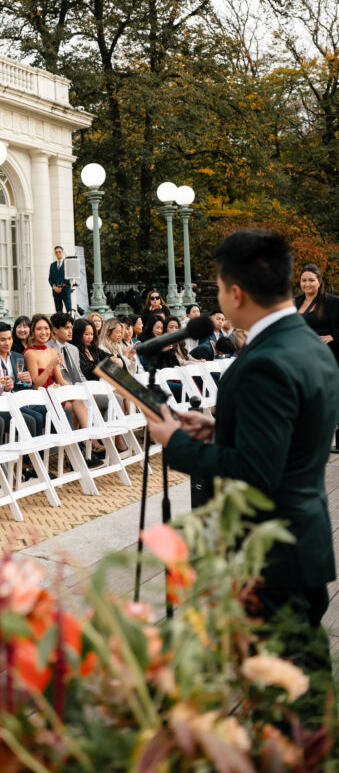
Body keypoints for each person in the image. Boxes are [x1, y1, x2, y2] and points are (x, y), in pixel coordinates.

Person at [146, 228, 339, 659]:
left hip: (269, 554)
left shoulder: (266, 360)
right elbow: (289, 440)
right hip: (303, 538)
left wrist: (175, 441)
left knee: (279, 683)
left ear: (236, 292)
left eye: (217, 288)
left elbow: (257, 471)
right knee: (303, 679)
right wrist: (220, 430)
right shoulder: (309, 343)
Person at [24, 314, 87, 429]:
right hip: (41, 396)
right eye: (39, 329)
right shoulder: (30, 353)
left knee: (77, 400)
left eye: (46, 328)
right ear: (33, 331)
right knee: (73, 407)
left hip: (54, 392)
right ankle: (78, 438)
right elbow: (36, 384)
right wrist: (50, 365)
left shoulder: (52, 351)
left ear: (51, 330)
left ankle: (86, 436)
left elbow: (60, 380)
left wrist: (73, 391)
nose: (43, 332)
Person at [0, 321, 43, 435]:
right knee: (37, 418)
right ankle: (34, 447)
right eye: (3, 340)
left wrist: (28, 382)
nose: (7, 343)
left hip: (23, 399)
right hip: (6, 402)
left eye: (10, 338)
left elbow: (23, 384)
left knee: (56, 412)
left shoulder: (18, 357)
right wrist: (4, 387)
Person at [295, 263, 339, 365]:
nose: (307, 284)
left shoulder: (332, 302)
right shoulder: (294, 303)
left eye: (311, 280)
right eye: (304, 280)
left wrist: (333, 336)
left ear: (319, 282)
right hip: (301, 357)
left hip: (325, 358)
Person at [48, 246, 72, 314]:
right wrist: (54, 287)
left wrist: (61, 286)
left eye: (59, 252)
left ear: (62, 252)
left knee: (69, 309)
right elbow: (50, 278)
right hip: (55, 291)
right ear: (55, 254)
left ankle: (70, 320)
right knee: (58, 310)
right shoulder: (52, 265)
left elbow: (69, 277)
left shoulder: (67, 263)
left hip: (65, 290)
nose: (58, 253)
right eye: (56, 252)